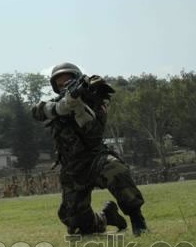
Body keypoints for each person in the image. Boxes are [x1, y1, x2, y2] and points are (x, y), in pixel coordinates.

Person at [31, 63, 148, 236]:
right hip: (72, 167)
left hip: (94, 158)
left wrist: (78, 106)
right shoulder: (56, 103)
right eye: (60, 84)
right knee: (74, 222)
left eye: (68, 82)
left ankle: (137, 219)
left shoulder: (96, 99)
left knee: (115, 169)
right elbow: (36, 112)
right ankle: (107, 218)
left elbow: (93, 133)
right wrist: (61, 107)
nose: (64, 86)